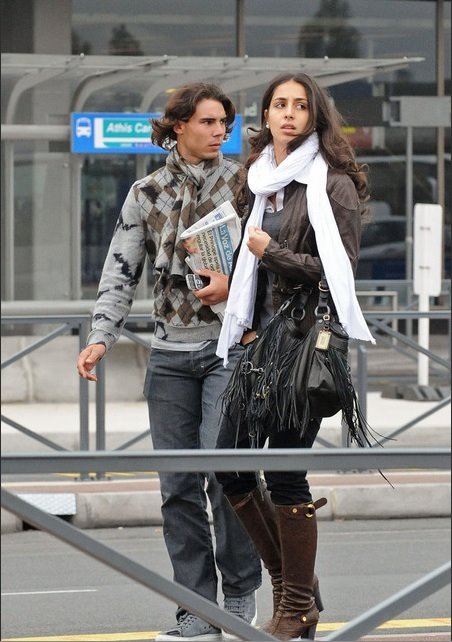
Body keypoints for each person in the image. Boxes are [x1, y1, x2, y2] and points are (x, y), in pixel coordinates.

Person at [76, 82, 261, 641]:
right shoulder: (145, 192)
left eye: (225, 123)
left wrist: (233, 283)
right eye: (208, 122)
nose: (220, 132)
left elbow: (267, 260)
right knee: (177, 486)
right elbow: (119, 270)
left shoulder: (246, 183)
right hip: (169, 356)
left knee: (226, 474)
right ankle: (195, 608)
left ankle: (240, 590)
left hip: (229, 348)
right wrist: (101, 335)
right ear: (178, 125)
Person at [214, 72, 374, 641]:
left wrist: (271, 252)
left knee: (285, 473)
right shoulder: (257, 180)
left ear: (314, 116)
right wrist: (230, 282)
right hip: (255, 343)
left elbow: (339, 274)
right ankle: (293, 588)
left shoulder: (332, 184)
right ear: (266, 114)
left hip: (304, 345)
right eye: (279, 104)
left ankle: (295, 602)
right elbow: (250, 265)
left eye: (300, 106)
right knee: (229, 466)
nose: (288, 113)